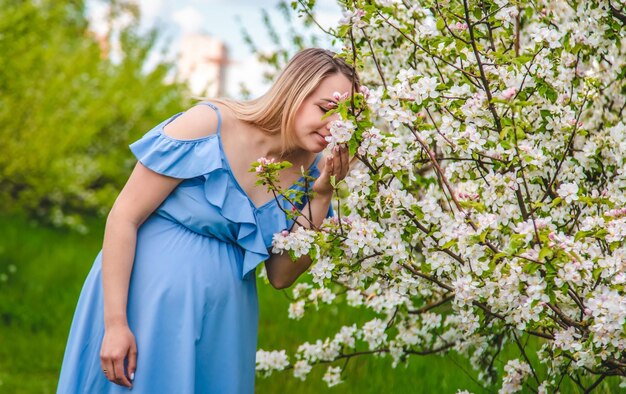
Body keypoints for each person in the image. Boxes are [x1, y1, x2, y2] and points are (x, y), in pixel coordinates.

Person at [56, 48, 358, 393]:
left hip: (225, 320)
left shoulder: (315, 170)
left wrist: (322, 194)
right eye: (325, 108)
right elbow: (124, 216)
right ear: (294, 92)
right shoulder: (209, 124)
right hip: (145, 301)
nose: (334, 126)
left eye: (345, 118)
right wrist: (115, 323)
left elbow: (280, 275)